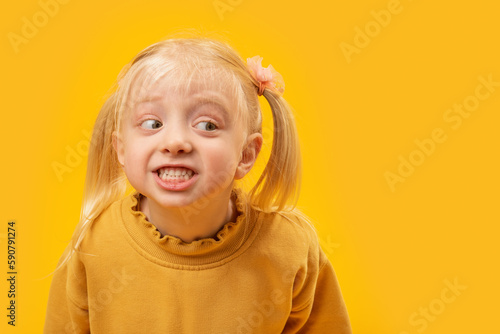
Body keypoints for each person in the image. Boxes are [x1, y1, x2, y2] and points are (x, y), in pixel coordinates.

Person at [44, 36, 352, 333]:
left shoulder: (290, 248)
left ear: (246, 155)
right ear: (121, 148)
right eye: (153, 123)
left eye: (207, 125)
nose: (175, 142)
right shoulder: (94, 245)